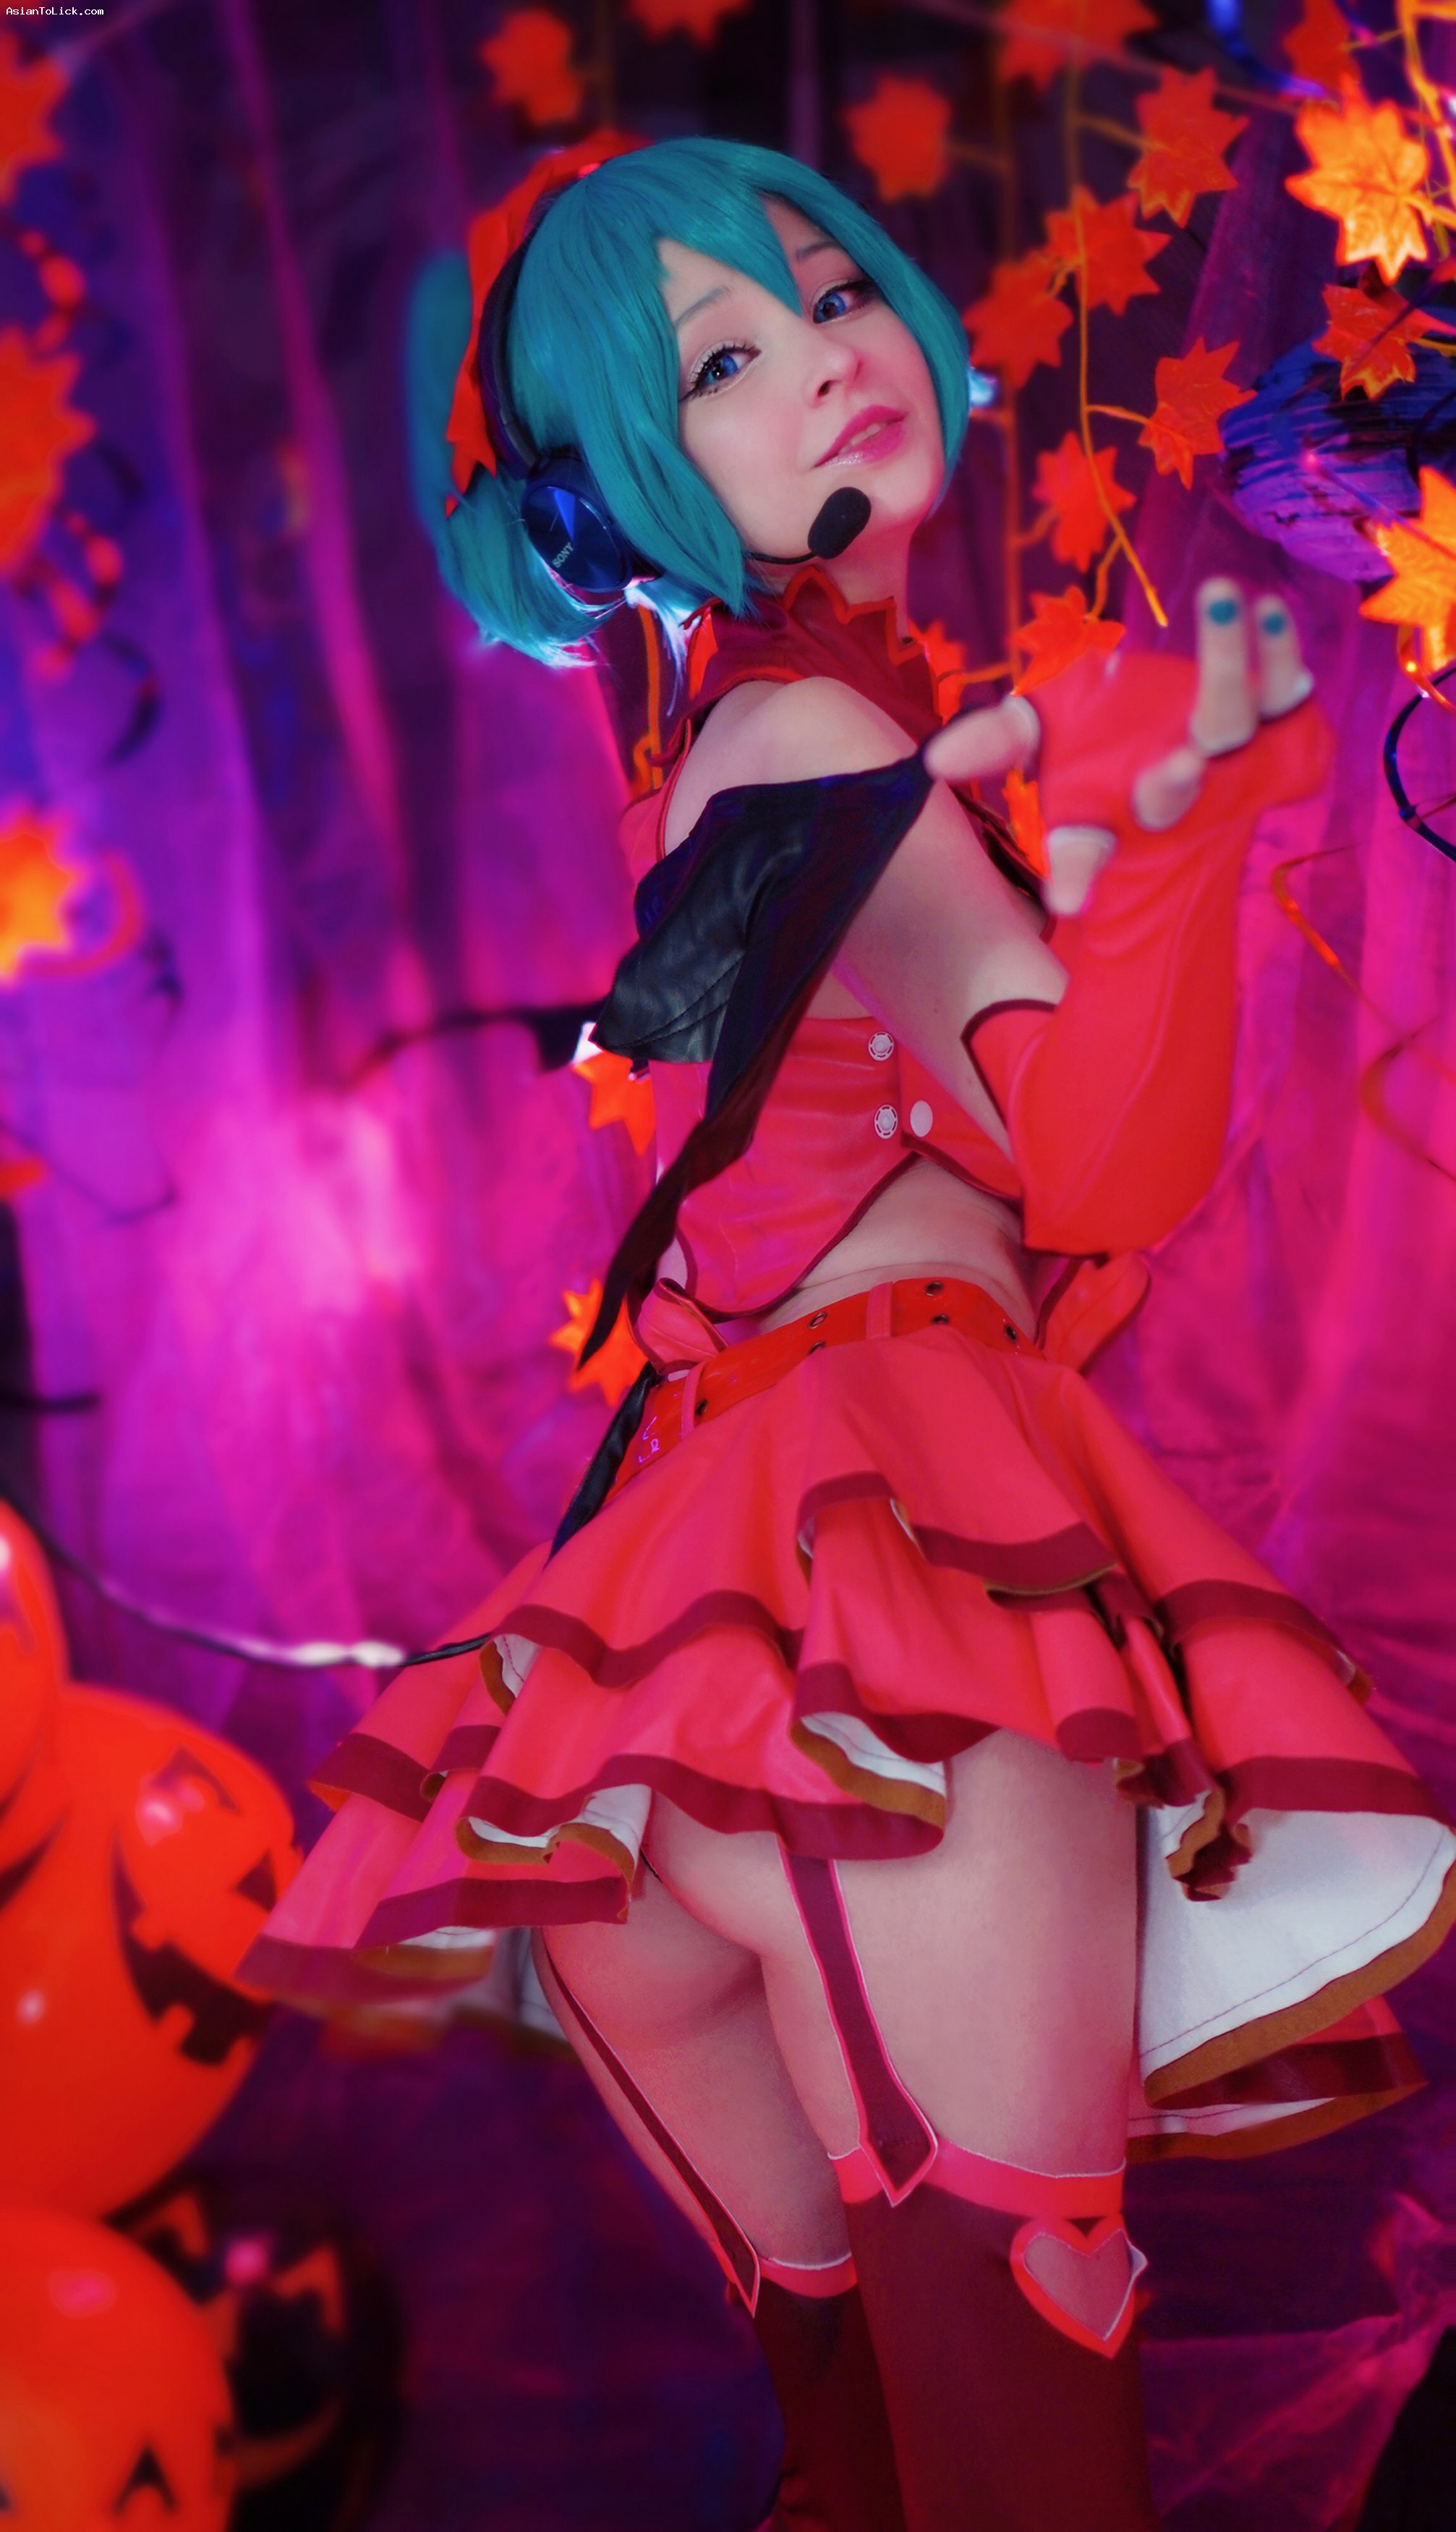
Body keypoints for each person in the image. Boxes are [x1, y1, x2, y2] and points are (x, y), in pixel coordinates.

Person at [247, 137, 1456, 2531]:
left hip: (695, 1678)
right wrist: (1180, 839)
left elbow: (1008, 1171)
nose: (822, 356)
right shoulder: (815, 740)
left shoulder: (783, 735)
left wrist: (1149, 837)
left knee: (879, 2474)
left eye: (825, 292)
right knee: (1018, 2471)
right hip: (876, 1625)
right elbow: (1092, 1166)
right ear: (622, 476)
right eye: (719, 358)